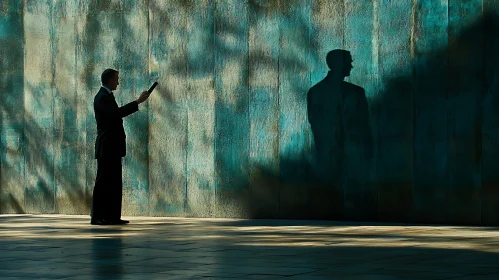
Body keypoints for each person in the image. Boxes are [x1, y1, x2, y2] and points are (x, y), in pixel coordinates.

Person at [91, 69, 151, 225]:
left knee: (114, 183)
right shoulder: (101, 97)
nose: (118, 82)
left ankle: (112, 216)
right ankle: (97, 217)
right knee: (103, 183)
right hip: (106, 147)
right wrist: (137, 102)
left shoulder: (107, 96)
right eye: (116, 79)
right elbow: (115, 114)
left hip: (113, 147)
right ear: (109, 79)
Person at [307, 49, 372, 186]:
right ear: (339, 64)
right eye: (349, 62)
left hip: (331, 159)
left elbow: (316, 125)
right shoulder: (356, 92)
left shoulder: (316, 91)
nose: (351, 66)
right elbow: (364, 127)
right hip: (348, 160)